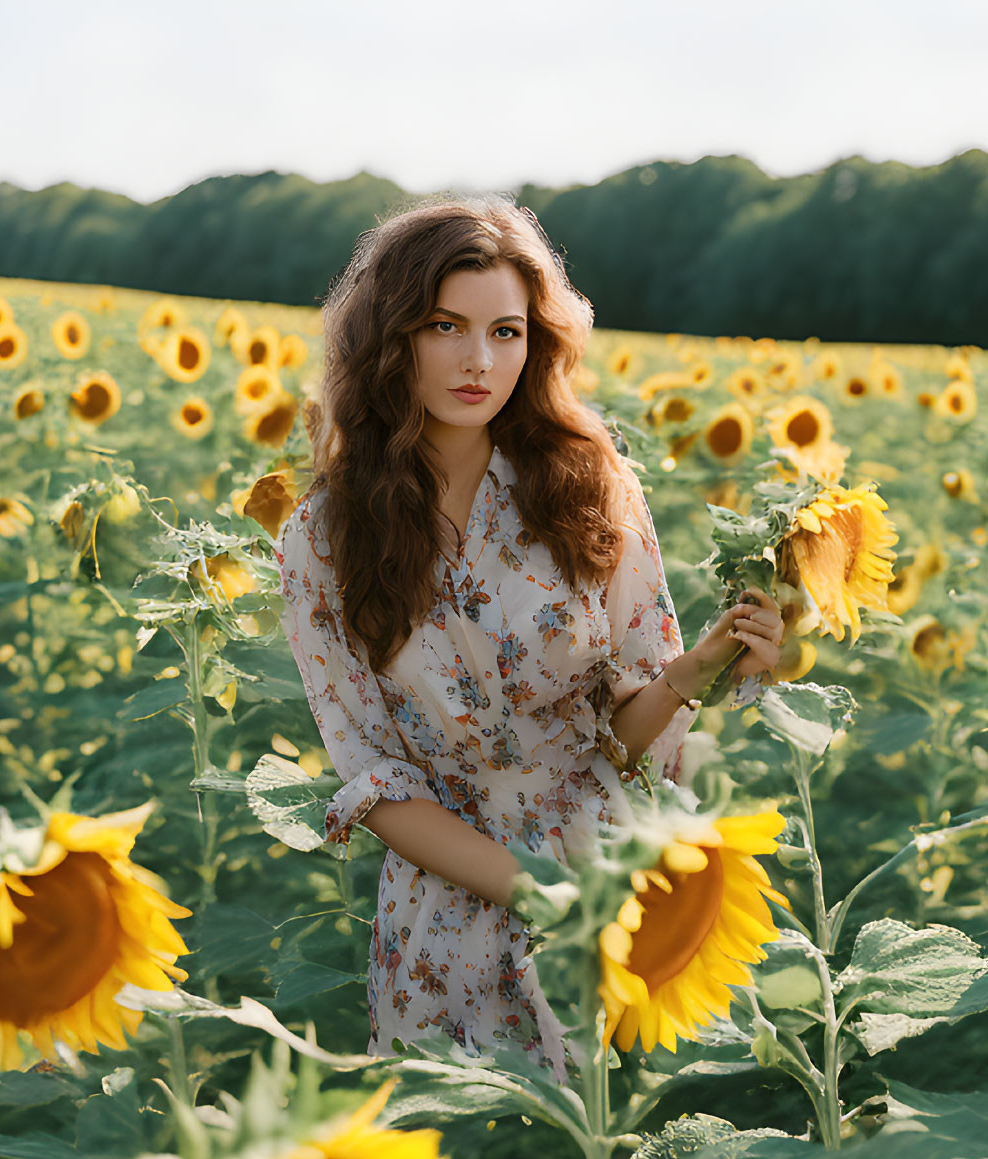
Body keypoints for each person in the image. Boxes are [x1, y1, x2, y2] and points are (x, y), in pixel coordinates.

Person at [273, 193, 785, 1079]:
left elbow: (619, 745)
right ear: (390, 339)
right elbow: (373, 780)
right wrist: (544, 893)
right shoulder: (322, 538)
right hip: (445, 923)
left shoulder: (590, 490)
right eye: (445, 326)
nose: (479, 361)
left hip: (612, 888)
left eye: (506, 331)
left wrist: (694, 671)